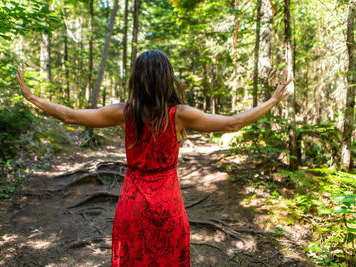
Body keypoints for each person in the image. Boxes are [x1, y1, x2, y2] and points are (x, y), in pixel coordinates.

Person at [16, 50, 291, 266]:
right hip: (168, 203)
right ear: (166, 77)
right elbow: (233, 123)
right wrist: (273, 100)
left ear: (137, 78)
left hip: (132, 204)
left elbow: (71, 115)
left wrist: (32, 97)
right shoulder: (180, 114)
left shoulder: (124, 112)